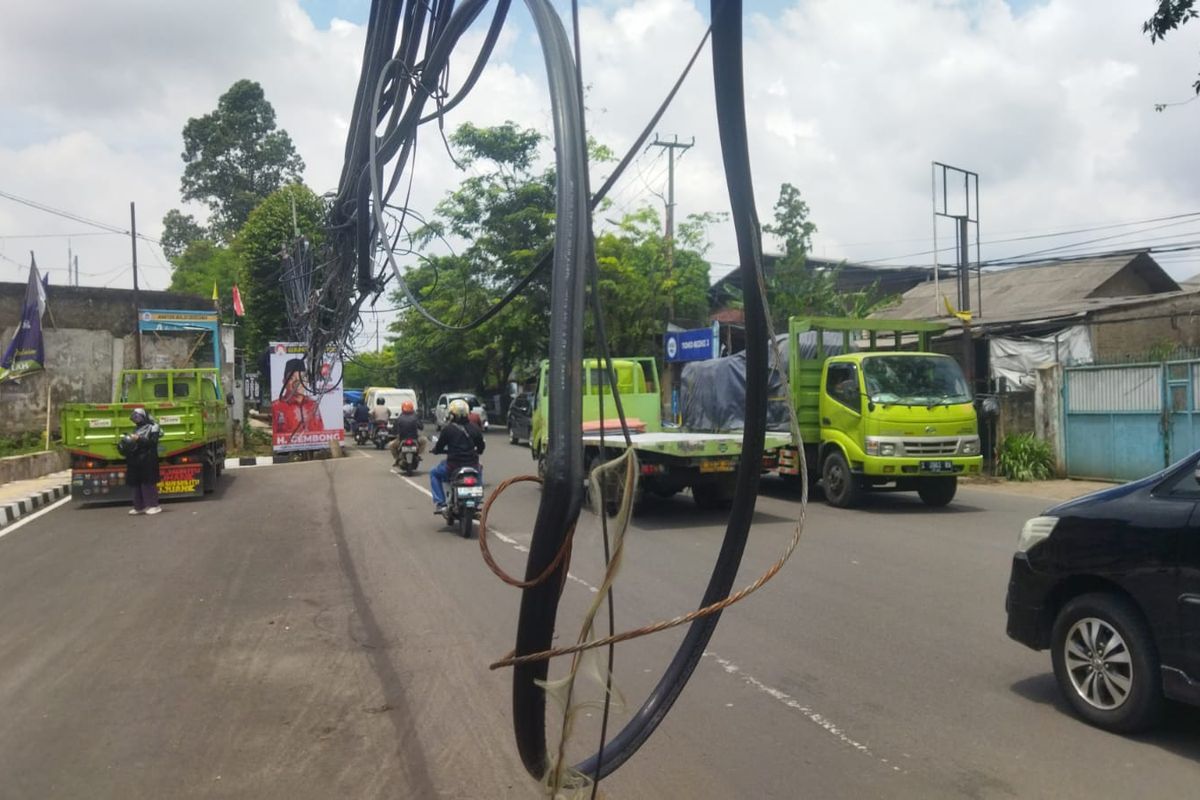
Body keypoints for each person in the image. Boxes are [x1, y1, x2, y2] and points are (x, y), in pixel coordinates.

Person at [430, 398, 485, 514]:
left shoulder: (448, 429)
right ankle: (476, 500)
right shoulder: (475, 428)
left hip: (452, 467)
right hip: (472, 465)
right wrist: (477, 451)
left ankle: (441, 503)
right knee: (479, 470)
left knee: (434, 473)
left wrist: (435, 450)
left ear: (452, 414)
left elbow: (439, 447)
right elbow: (481, 447)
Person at [120, 407, 163, 516]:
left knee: (147, 483)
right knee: (135, 482)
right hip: (136, 459)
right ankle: (139, 506)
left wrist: (138, 438)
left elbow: (152, 443)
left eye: (138, 417)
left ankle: (154, 505)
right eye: (134, 418)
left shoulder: (153, 427)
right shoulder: (136, 429)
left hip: (148, 458)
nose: (136, 419)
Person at [272, 358, 325, 439]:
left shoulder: (313, 405)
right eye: (292, 378)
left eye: (302, 377)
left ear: (306, 381)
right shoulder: (276, 406)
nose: (297, 382)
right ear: (284, 382)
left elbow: (321, 432)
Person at [389, 400, 426, 468]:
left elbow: (394, 430)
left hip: (402, 439)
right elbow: (421, 427)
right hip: (415, 439)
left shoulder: (399, 418)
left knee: (391, 445)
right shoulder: (415, 417)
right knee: (424, 440)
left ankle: (397, 459)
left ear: (402, 408)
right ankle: (418, 454)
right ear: (412, 408)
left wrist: (395, 433)